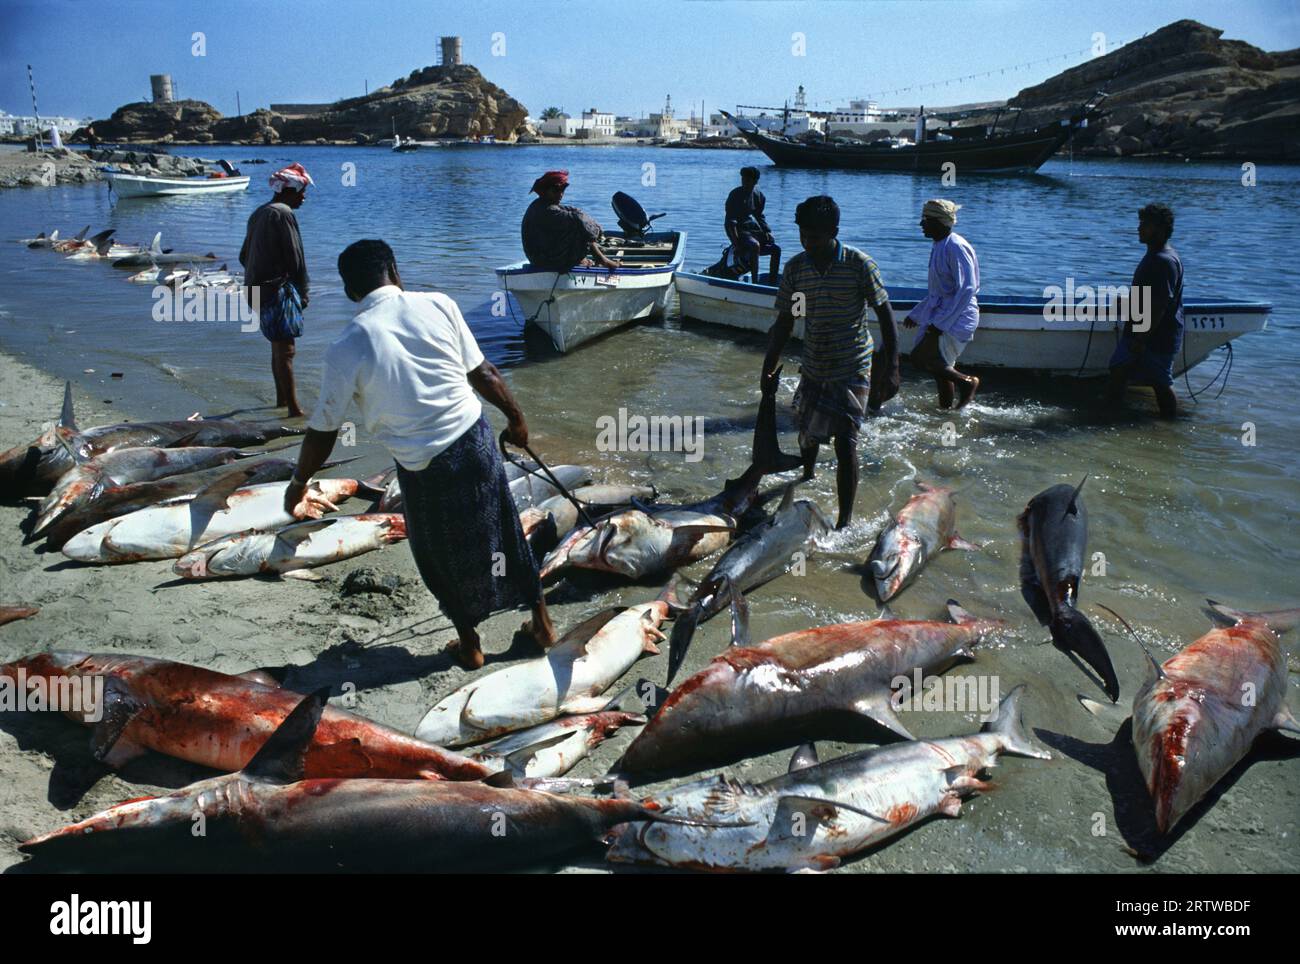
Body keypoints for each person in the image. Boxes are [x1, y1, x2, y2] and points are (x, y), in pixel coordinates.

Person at [283, 240, 557, 670]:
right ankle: (541, 623)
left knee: (438, 556)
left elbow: (323, 431)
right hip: (474, 439)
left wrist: (298, 484)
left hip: (422, 466)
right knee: (503, 531)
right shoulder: (439, 304)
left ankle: (470, 645)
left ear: (350, 291)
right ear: (393, 269)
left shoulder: (345, 346)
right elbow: (484, 372)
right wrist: (516, 419)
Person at [761, 196, 900, 530]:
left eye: (816, 238)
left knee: (845, 441)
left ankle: (844, 522)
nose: (809, 244)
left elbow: (885, 315)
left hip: (852, 364)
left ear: (834, 232)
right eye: (804, 236)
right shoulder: (796, 269)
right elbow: (785, 321)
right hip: (814, 364)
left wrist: (892, 366)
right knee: (807, 435)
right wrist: (768, 364)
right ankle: (807, 475)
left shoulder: (859, 265)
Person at [240, 162, 313, 417]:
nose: (303, 197)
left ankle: (282, 401)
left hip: (255, 289)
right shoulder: (283, 213)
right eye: (301, 192)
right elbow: (296, 259)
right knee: (287, 350)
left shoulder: (259, 212)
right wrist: (303, 292)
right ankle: (294, 410)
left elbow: (243, 255)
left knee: (277, 347)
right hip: (274, 289)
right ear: (288, 191)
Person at [1104, 203, 1184, 419]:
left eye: (1144, 225)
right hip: (1147, 330)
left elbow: (1159, 305)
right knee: (1119, 369)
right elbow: (1150, 296)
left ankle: (1169, 422)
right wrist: (1127, 303)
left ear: (1158, 229)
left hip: (1154, 335)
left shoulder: (1162, 260)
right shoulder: (1159, 255)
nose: (1139, 229)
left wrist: (1140, 338)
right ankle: (1113, 417)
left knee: (1160, 381)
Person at [903, 199, 981, 409]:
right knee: (942, 368)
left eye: (925, 220)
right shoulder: (940, 245)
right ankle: (946, 411)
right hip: (944, 313)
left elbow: (966, 289)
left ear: (939, 222)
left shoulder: (955, 246)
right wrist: (917, 313)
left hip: (957, 316)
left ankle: (967, 382)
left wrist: (940, 325)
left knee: (920, 358)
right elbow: (938, 292)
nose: (921, 224)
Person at [521, 170, 619, 272]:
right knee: (579, 226)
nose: (560, 195)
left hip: (538, 258)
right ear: (545, 191)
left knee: (579, 222)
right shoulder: (548, 211)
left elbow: (573, 211)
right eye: (555, 191)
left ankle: (596, 259)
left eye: (562, 191)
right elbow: (578, 220)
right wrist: (596, 231)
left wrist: (592, 226)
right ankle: (600, 259)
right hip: (545, 260)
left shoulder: (540, 204)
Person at [725, 166, 780, 281]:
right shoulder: (735, 194)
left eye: (748, 180)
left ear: (755, 181)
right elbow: (730, 222)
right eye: (743, 179)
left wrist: (768, 231)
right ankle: (755, 282)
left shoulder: (759, 195)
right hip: (738, 230)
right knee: (755, 245)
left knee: (776, 248)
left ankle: (772, 280)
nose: (744, 182)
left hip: (751, 229)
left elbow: (759, 216)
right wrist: (735, 243)